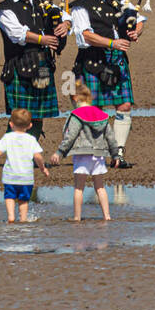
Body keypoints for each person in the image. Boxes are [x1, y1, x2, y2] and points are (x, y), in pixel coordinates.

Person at [68, 0, 143, 169]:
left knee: (124, 105)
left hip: (117, 59)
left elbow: (139, 19)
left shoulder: (118, 1)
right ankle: (98, 148)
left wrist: (136, 31)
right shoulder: (80, 6)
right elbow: (85, 35)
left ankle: (118, 153)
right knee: (96, 108)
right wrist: (112, 43)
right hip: (93, 59)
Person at [0, 0, 70, 145]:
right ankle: (13, 153)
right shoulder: (5, 8)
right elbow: (16, 34)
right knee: (21, 116)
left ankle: (28, 153)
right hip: (19, 66)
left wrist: (65, 25)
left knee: (37, 115)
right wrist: (42, 40)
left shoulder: (42, 4)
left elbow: (66, 15)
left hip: (43, 65)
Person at [50, 86, 115, 221]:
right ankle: (107, 216)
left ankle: (77, 217)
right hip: (99, 154)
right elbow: (110, 136)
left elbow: (70, 136)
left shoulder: (77, 115)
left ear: (74, 98)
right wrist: (116, 155)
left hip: (82, 153)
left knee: (79, 188)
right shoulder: (101, 114)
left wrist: (60, 152)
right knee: (100, 187)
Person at [0, 108, 48, 223]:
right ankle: (23, 219)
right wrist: (43, 168)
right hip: (26, 178)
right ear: (30, 126)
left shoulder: (8, 137)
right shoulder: (31, 139)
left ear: (11, 124)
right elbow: (38, 157)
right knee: (23, 200)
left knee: (9, 197)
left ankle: (11, 217)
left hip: (10, 177)